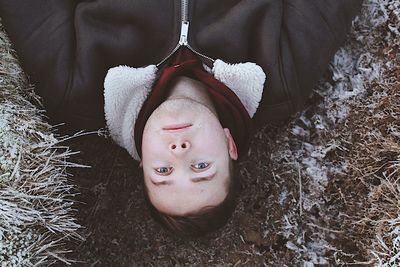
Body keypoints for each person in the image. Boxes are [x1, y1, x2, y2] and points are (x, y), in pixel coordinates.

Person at [0, 0, 363, 237]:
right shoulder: (283, 76)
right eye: (201, 166)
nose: (179, 150)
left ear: (142, 161)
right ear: (229, 144)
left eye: (163, 172)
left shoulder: (74, 87)